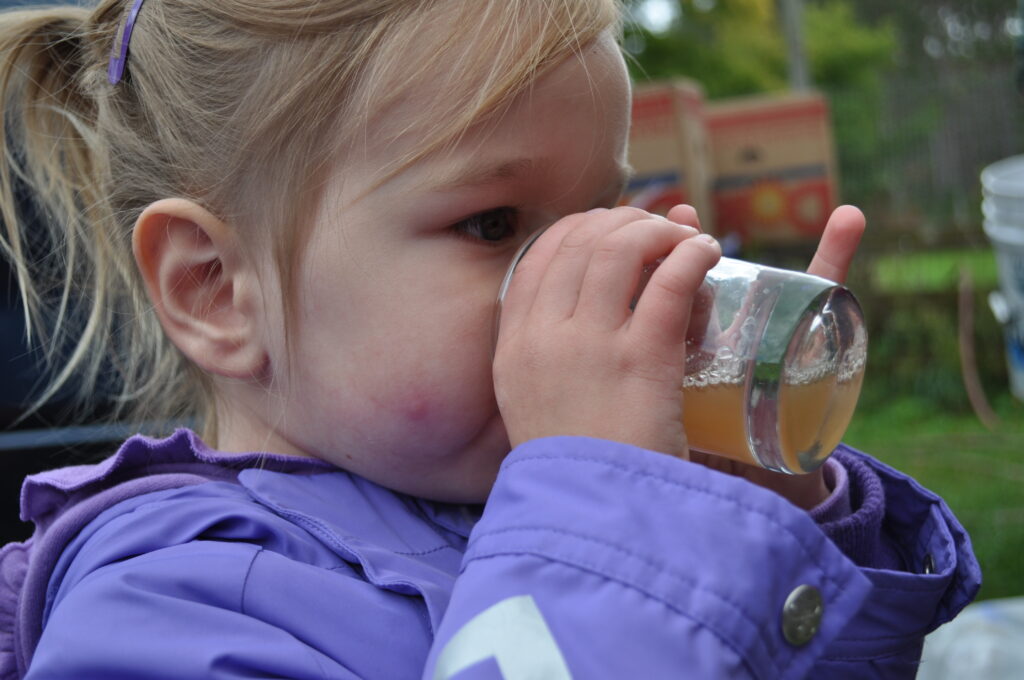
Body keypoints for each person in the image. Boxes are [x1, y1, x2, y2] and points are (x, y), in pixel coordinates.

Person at [0, 1, 978, 678]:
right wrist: (599, 513)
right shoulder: (174, 609)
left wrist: (767, 526)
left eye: (602, 205)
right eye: (496, 224)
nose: (600, 265)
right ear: (218, 289)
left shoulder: (501, 493)